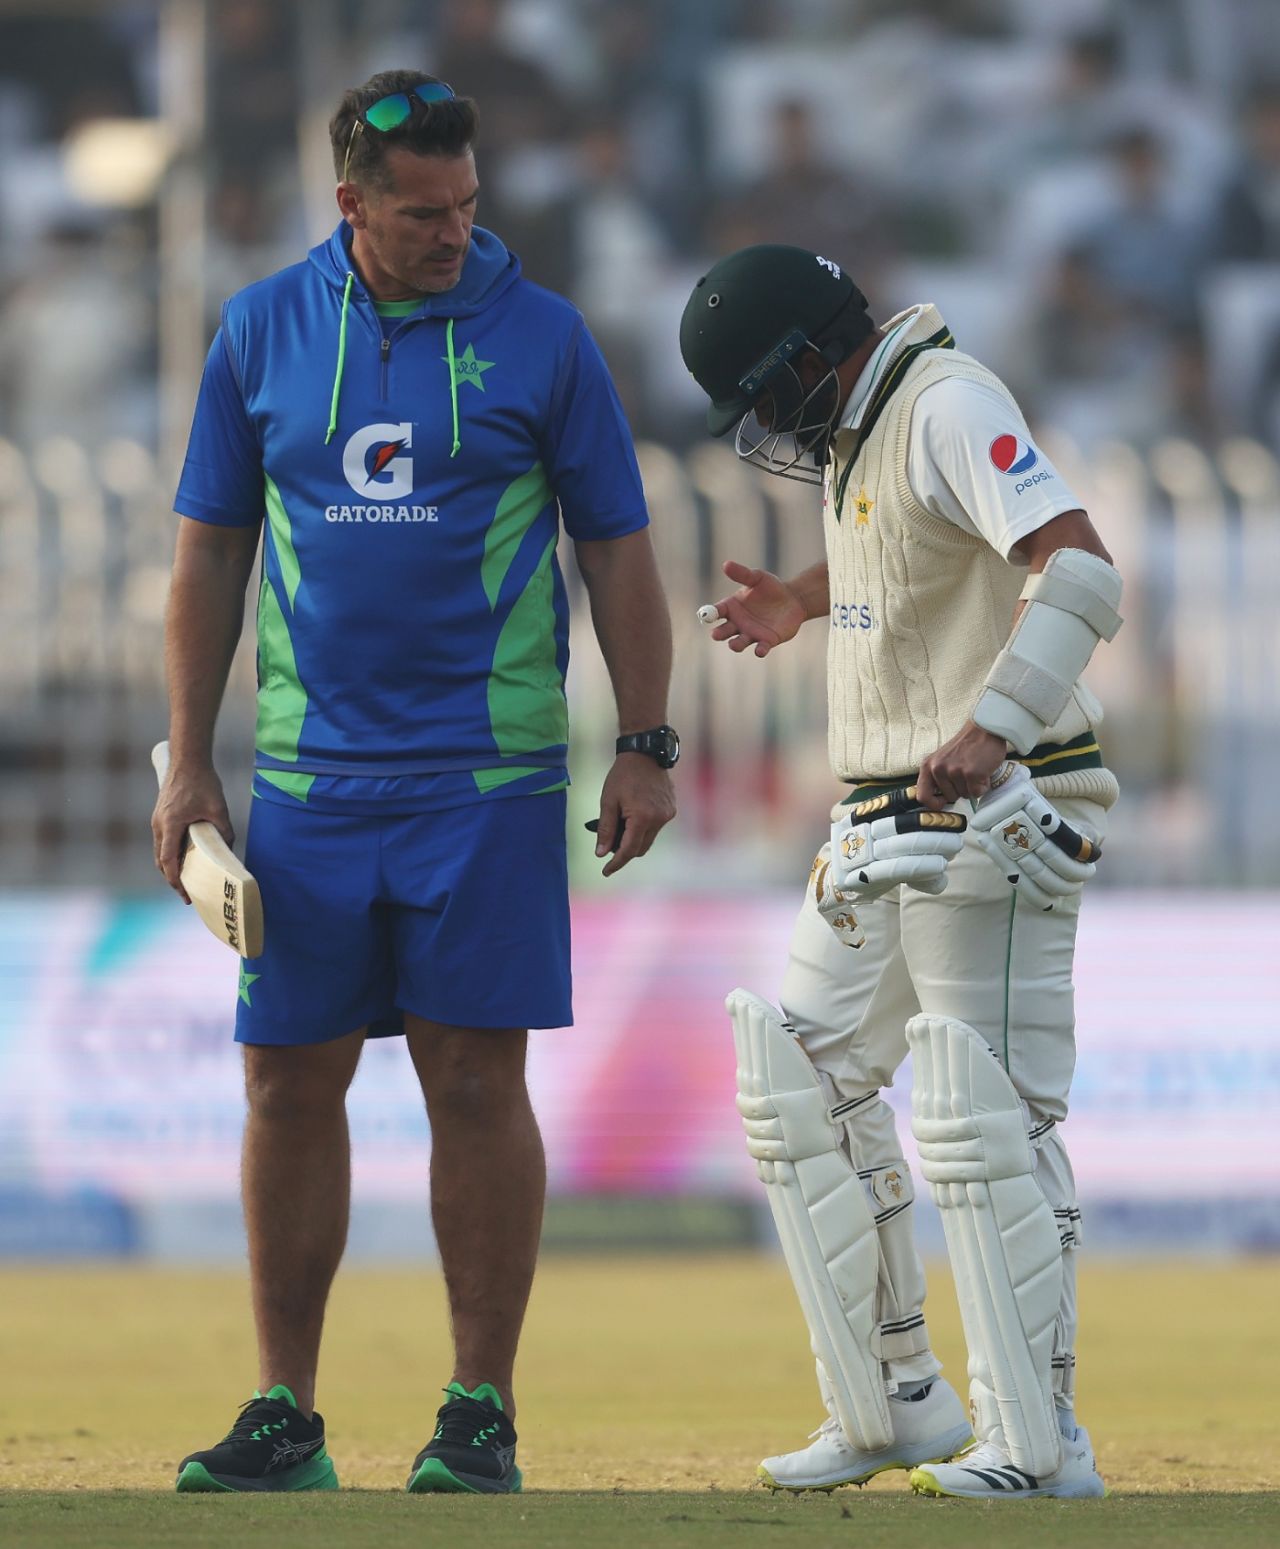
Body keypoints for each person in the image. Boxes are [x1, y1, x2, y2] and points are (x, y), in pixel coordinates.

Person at [152, 70, 677, 1496]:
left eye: (467, 207)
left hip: (488, 781)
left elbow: (617, 546)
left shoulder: (546, 337)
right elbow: (209, 549)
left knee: (473, 1078)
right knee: (284, 1083)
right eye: (424, 214)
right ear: (350, 207)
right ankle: (284, 1413)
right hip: (312, 784)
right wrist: (190, 760)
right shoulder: (262, 328)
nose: (456, 234)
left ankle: (479, 1412)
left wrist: (645, 738)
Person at [680, 245, 1121, 1500]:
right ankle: (891, 1406)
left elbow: (1078, 566)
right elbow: (914, 565)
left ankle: (1039, 1448)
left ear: (813, 350)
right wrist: (802, 604)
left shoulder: (943, 401)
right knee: (797, 1086)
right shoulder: (869, 430)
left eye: (767, 396)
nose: (767, 427)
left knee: (979, 1120)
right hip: (877, 817)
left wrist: (993, 727)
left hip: (988, 806)